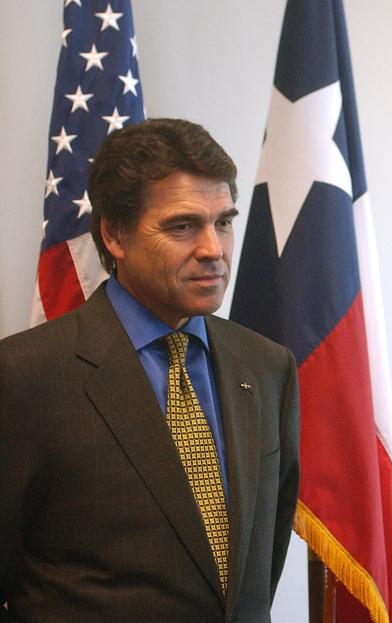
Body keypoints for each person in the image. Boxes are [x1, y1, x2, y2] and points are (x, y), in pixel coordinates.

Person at [0, 118, 300, 621]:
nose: (213, 249)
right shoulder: (25, 376)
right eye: (182, 226)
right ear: (115, 236)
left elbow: (256, 568)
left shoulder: (267, 366)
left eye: (223, 221)